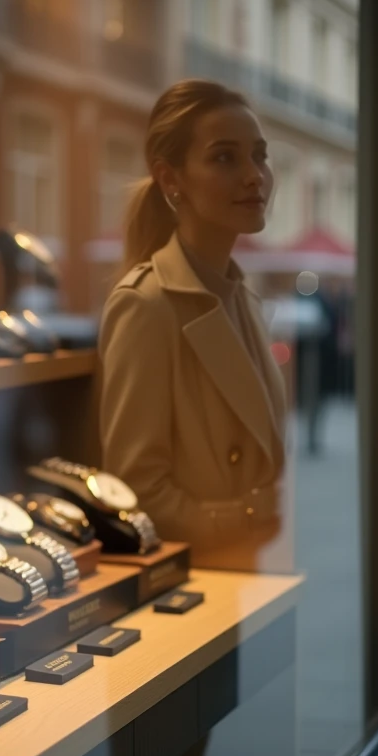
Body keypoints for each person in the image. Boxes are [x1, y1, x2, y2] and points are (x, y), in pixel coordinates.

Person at [98, 80, 288, 572]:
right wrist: (242, 516)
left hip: (243, 568)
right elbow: (136, 490)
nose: (254, 176)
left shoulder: (239, 295)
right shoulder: (148, 304)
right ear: (170, 180)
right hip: (188, 581)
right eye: (225, 158)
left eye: (259, 156)